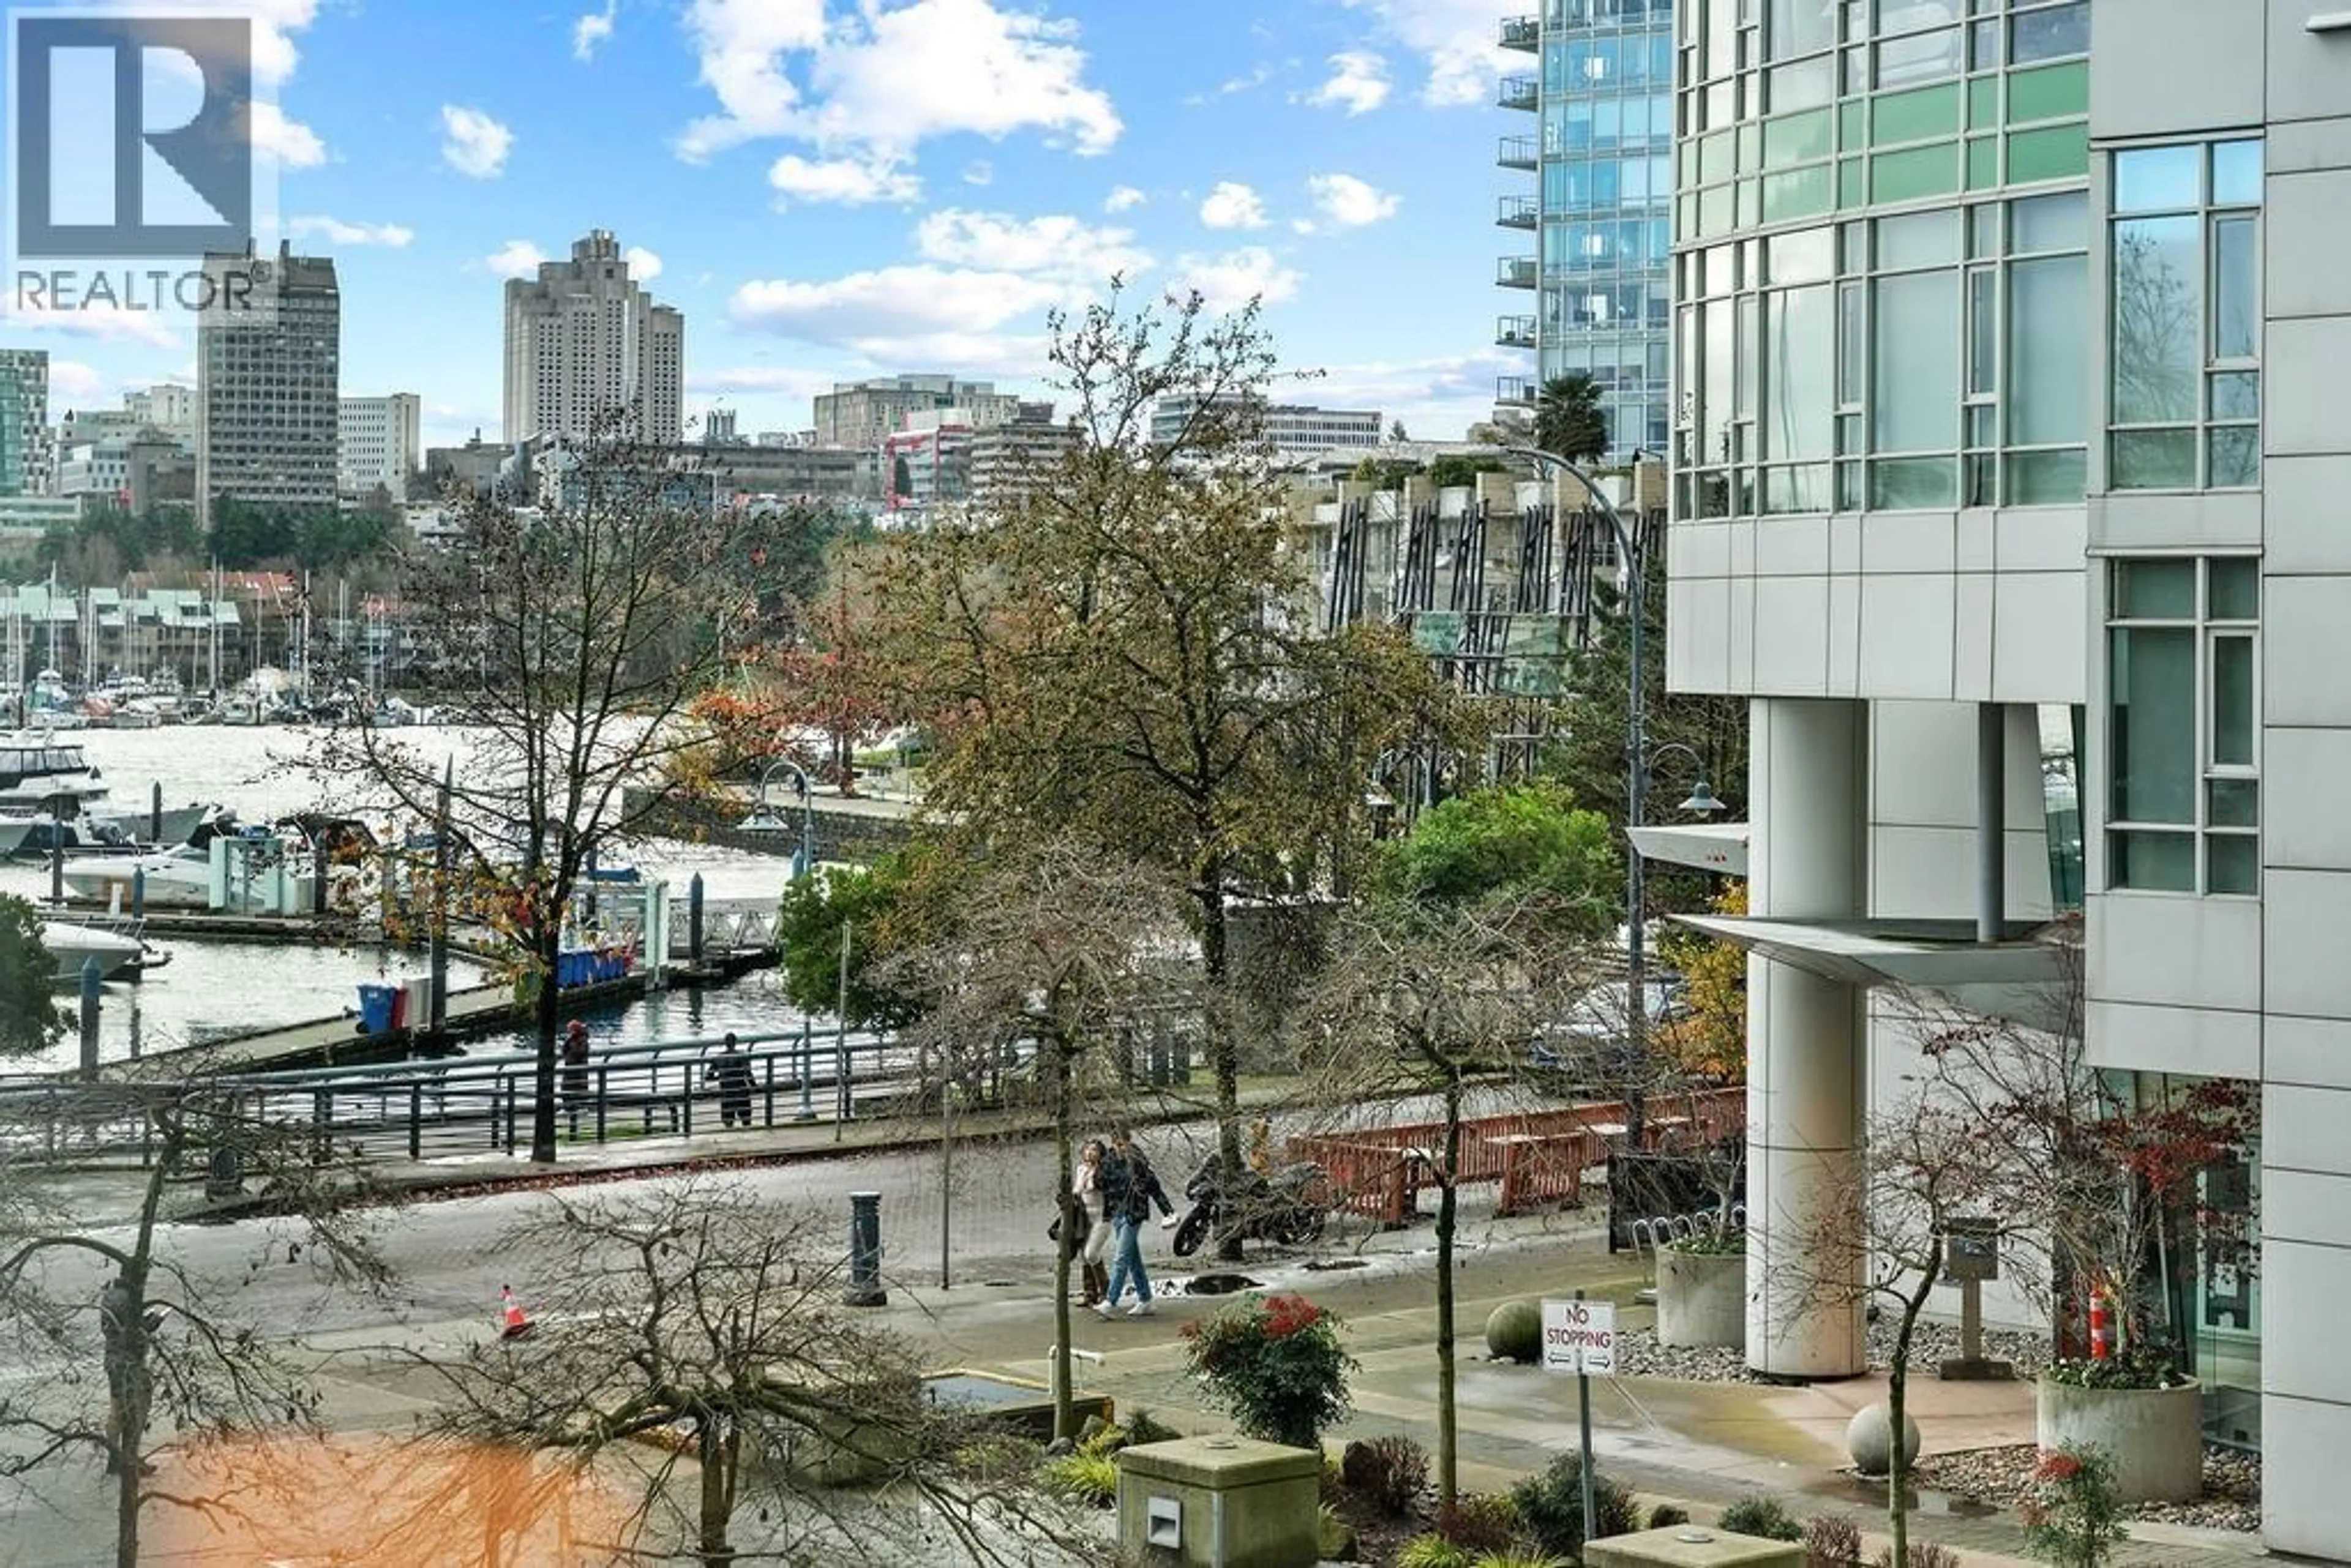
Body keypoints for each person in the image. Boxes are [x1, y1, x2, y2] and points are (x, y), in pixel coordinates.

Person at [1096, 1128, 1175, 1319]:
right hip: (1117, 1213)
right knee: (1132, 1258)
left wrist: (1168, 1211)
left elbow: (1154, 1188)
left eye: (1124, 1143)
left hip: (1134, 1213)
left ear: (1129, 1142)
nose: (1120, 1147)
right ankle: (1146, 1299)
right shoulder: (1108, 1162)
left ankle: (1111, 1301)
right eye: (1117, 1144)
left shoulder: (1138, 1161)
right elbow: (1101, 1185)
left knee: (1121, 1257)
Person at [1071, 1138, 1111, 1307]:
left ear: (1101, 1153)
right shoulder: (1081, 1169)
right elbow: (1077, 1191)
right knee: (1085, 1257)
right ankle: (1090, 1294)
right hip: (1084, 1219)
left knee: (1092, 1254)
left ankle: (1106, 1291)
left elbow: (1102, 1187)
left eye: (1094, 1150)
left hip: (1102, 1218)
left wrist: (1096, 1172)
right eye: (1087, 1149)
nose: (1090, 1153)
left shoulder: (1105, 1170)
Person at [705, 1032, 755, 1128]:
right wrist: (754, 1086)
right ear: (736, 1042)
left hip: (726, 1091)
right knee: (746, 1120)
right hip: (741, 1089)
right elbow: (748, 1074)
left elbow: (708, 1077)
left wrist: (720, 1077)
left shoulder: (718, 1058)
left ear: (725, 1043)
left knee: (728, 1122)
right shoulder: (742, 1056)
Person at [561, 1019, 591, 1133]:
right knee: (567, 1088)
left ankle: (579, 1107)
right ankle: (568, 1107)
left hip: (577, 1070)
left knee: (577, 1087)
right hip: (571, 1069)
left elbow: (580, 1053)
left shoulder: (582, 1041)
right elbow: (564, 1051)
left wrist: (571, 1047)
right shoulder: (571, 1040)